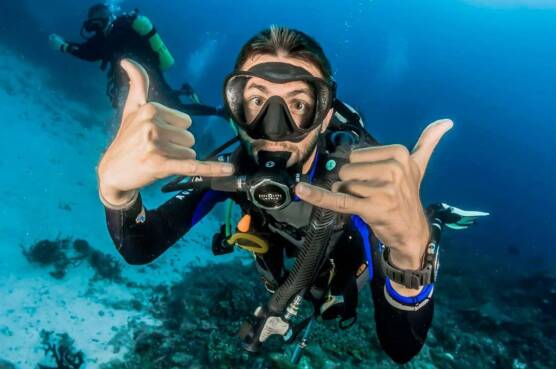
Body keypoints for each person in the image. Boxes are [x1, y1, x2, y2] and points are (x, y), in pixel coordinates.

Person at [96, 26, 488, 364]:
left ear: (325, 117)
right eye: (256, 100)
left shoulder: (358, 187)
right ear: (235, 110)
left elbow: (402, 347)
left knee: (409, 230)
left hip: (340, 278)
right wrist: (115, 192)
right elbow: (139, 246)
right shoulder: (228, 170)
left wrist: (410, 253)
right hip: (286, 280)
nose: (274, 126)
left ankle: (432, 220)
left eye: (299, 103)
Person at [48, 3, 223, 117]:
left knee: (175, 109)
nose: (97, 19)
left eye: (100, 14)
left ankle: (218, 111)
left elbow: (92, 52)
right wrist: (65, 46)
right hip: (136, 79)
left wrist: (65, 47)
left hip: (148, 75)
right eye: (95, 15)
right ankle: (185, 93)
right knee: (155, 110)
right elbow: (91, 52)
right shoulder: (107, 36)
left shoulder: (120, 29)